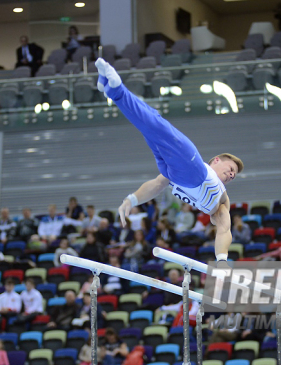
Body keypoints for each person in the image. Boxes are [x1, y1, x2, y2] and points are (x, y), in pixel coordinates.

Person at [97, 57, 243, 264]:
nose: (231, 175)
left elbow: (224, 230)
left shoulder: (221, 203)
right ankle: (115, 90)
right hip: (194, 169)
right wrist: (133, 199)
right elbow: (156, 184)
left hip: (173, 171)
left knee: (150, 124)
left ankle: (113, 90)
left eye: (234, 176)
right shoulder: (212, 180)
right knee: (154, 123)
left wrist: (131, 199)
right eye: (230, 169)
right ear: (216, 161)